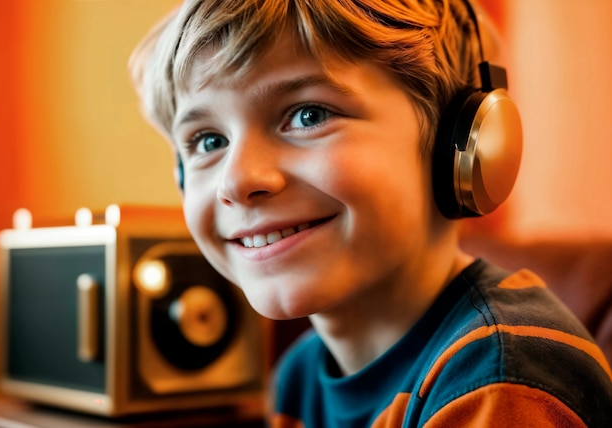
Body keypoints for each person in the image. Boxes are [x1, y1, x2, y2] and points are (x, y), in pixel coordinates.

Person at [130, 0, 612, 426]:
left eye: (308, 115)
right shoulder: (299, 376)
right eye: (208, 141)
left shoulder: (498, 381)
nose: (237, 181)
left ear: (463, 147)